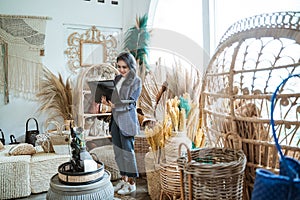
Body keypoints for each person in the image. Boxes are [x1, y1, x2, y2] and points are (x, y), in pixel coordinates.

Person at [104, 52, 142, 195]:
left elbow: (132, 102)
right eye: (119, 67)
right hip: (115, 119)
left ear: (131, 66)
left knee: (127, 153)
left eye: (124, 67)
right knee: (118, 152)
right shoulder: (117, 78)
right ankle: (123, 179)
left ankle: (131, 183)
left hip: (127, 120)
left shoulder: (136, 81)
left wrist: (115, 105)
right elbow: (114, 97)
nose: (121, 70)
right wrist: (106, 101)